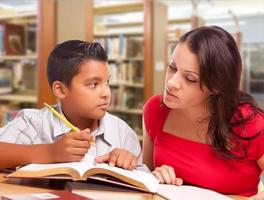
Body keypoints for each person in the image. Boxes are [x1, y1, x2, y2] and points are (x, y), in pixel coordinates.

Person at [142, 26, 264, 197]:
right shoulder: (155, 108)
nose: (171, 83)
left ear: (216, 86)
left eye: (190, 78)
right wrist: (154, 178)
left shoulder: (250, 123)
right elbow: (144, 177)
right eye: (173, 67)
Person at [0, 40, 144, 171]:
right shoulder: (34, 123)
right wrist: (50, 152)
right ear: (61, 90)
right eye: (94, 84)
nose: (106, 93)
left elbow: (146, 183)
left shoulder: (123, 132)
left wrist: (128, 164)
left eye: (107, 83)